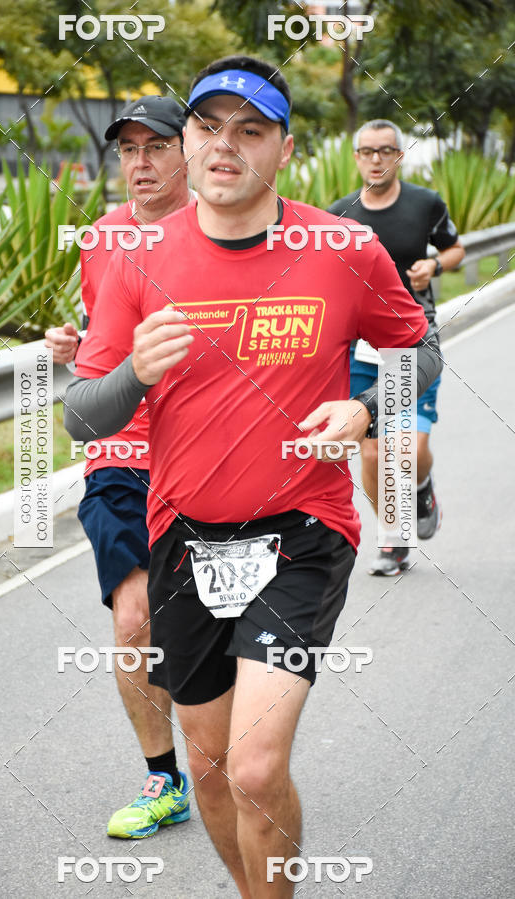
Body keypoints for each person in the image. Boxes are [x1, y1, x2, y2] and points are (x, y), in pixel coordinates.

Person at [64, 56, 442, 897]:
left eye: (251, 129)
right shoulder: (136, 256)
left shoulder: (341, 248)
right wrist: (134, 373)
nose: (225, 145)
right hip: (183, 539)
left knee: (256, 766)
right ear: (188, 143)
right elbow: (82, 416)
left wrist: (368, 410)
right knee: (208, 770)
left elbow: (420, 349)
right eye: (208, 126)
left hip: (302, 532)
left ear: (285, 148)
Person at [45, 96, 194, 838]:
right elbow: (106, 331)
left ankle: (234, 754)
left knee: (203, 621)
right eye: (129, 149)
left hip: (203, 450)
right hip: (121, 453)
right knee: (134, 620)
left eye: (156, 146)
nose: (140, 162)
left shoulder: (223, 231)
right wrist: (77, 347)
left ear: (189, 150)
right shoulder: (100, 238)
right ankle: (164, 778)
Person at [327, 119, 464, 576]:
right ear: (356, 158)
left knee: (409, 448)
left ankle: (421, 488)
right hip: (361, 350)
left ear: (399, 156)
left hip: (412, 342)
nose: (376, 159)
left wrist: (434, 266)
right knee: (371, 452)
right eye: (367, 151)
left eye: (386, 150)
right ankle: (393, 539)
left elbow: (455, 250)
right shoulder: (339, 215)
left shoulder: (426, 203)